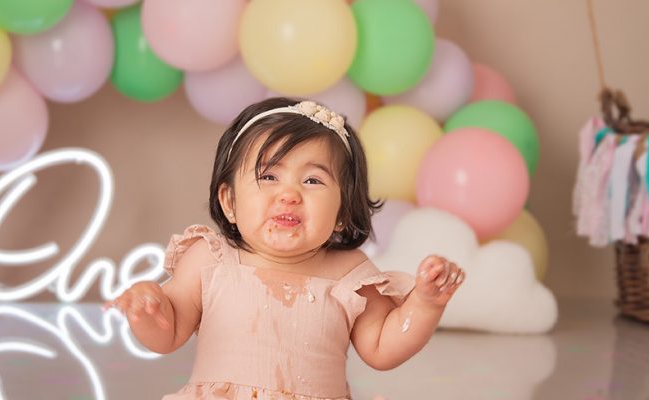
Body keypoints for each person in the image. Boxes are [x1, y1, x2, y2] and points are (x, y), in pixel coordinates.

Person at [104, 97, 465, 399]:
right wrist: (147, 311)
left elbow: (383, 348)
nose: (289, 194)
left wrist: (425, 304)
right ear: (229, 202)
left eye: (312, 180)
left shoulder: (350, 275)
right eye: (269, 176)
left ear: (341, 212)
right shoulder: (209, 259)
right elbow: (169, 332)